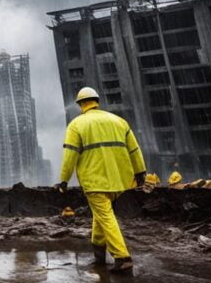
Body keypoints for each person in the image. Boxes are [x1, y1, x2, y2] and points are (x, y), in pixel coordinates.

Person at [57, 86, 146, 275]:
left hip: (95, 181)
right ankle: (98, 252)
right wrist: (140, 172)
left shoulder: (76, 124)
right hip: (119, 180)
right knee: (102, 213)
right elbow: (134, 149)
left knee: (105, 216)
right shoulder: (119, 121)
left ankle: (122, 257)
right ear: (97, 100)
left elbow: (70, 155)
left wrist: (63, 180)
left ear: (81, 104)